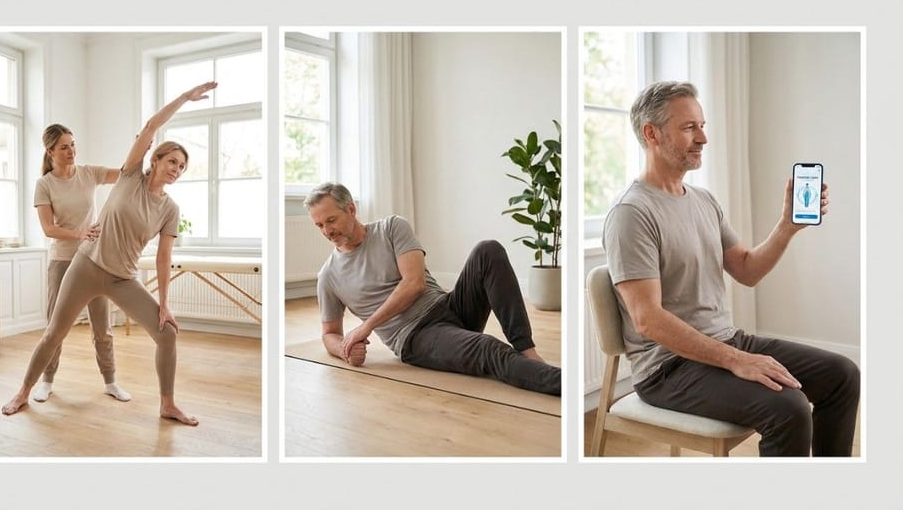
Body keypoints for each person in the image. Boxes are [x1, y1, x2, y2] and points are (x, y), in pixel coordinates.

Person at [602, 80, 859, 456]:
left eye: (702, 125)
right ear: (651, 133)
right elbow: (648, 320)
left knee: (842, 375)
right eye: (689, 127)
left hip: (724, 341)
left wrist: (786, 225)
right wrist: (737, 361)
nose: (703, 137)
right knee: (788, 409)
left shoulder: (703, 200)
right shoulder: (631, 213)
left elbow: (746, 270)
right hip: (668, 369)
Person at [1, 81, 219, 425]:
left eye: (182, 167)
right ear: (155, 159)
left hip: (122, 277)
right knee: (54, 332)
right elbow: (150, 128)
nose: (176, 169)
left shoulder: (170, 209)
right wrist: (184, 98)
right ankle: (24, 392)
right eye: (172, 161)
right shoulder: (130, 175)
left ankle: (167, 404)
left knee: (167, 332)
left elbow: (164, 258)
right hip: (85, 265)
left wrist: (165, 303)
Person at [304, 182, 560, 396]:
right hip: (416, 336)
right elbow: (329, 333)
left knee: (488, 249)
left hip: (448, 307)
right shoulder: (328, 276)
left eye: (331, 220)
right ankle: (563, 384)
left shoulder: (392, 227)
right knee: (488, 348)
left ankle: (527, 351)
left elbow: (415, 284)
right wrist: (345, 350)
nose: (327, 230)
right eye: (319, 225)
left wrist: (366, 325)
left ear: (351, 209)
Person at [31, 123, 129, 403]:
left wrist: (142, 146)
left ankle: (110, 381)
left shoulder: (89, 173)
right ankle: (46, 381)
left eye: (73, 144)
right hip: (62, 260)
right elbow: (49, 229)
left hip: (94, 261)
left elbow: (124, 174)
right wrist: (79, 233)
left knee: (102, 326)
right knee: (55, 326)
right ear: (50, 151)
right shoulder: (45, 185)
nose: (71, 150)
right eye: (64, 146)